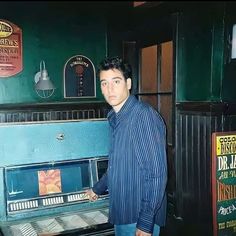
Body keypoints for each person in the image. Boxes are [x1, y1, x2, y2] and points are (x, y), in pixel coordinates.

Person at [86, 56, 167, 236]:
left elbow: (156, 174)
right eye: (104, 83)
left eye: (116, 81)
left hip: (138, 216)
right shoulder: (115, 117)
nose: (110, 89)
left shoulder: (143, 116)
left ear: (128, 83)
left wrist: (145, 223)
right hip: (123, 211)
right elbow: (118, 166)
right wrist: (97, 188)